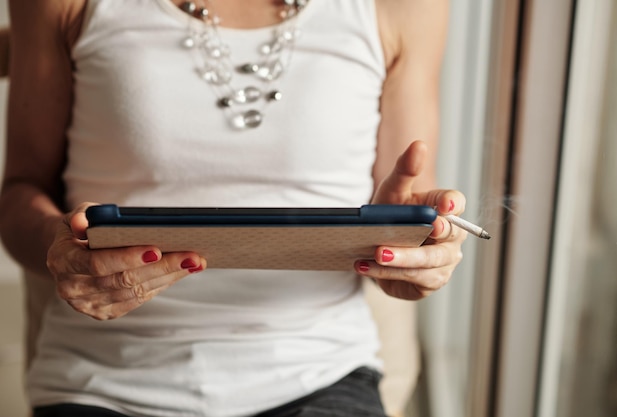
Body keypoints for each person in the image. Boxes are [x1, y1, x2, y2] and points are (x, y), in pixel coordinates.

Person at [0, 0, 467, 416]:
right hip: (102, 381)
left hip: (320, 373)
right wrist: (60, 249)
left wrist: (414, 260)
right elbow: (21, 191)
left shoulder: (405, 7)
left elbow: (407, 212)